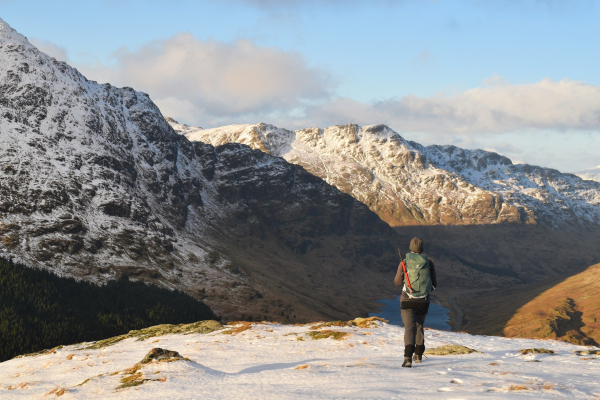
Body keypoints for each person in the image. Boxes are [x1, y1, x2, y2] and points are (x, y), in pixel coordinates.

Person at [394, 237, 437, 368]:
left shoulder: (404, 263)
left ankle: (407, 358)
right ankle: (418, 355)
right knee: (419, 325)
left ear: (411, 248)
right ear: (422, 249)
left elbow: (397, 283)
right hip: (423, 301)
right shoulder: (429, 263)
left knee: (409, 328)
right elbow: (434, 284)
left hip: (407, 300)